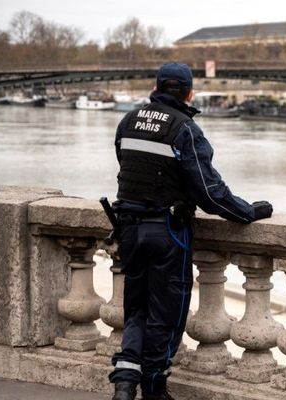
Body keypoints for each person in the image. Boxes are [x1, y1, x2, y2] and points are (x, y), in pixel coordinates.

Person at [108, 62, 273, 400]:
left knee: (135, 308)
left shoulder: (128, 121)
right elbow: (211, 194)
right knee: (165, 314)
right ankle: (155, 388)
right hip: (166, 231)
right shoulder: (184, 129)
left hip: (127, 229)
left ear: (156, 87)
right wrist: (249, 212)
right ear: (189, 92)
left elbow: (127, 166)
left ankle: (124, 385)